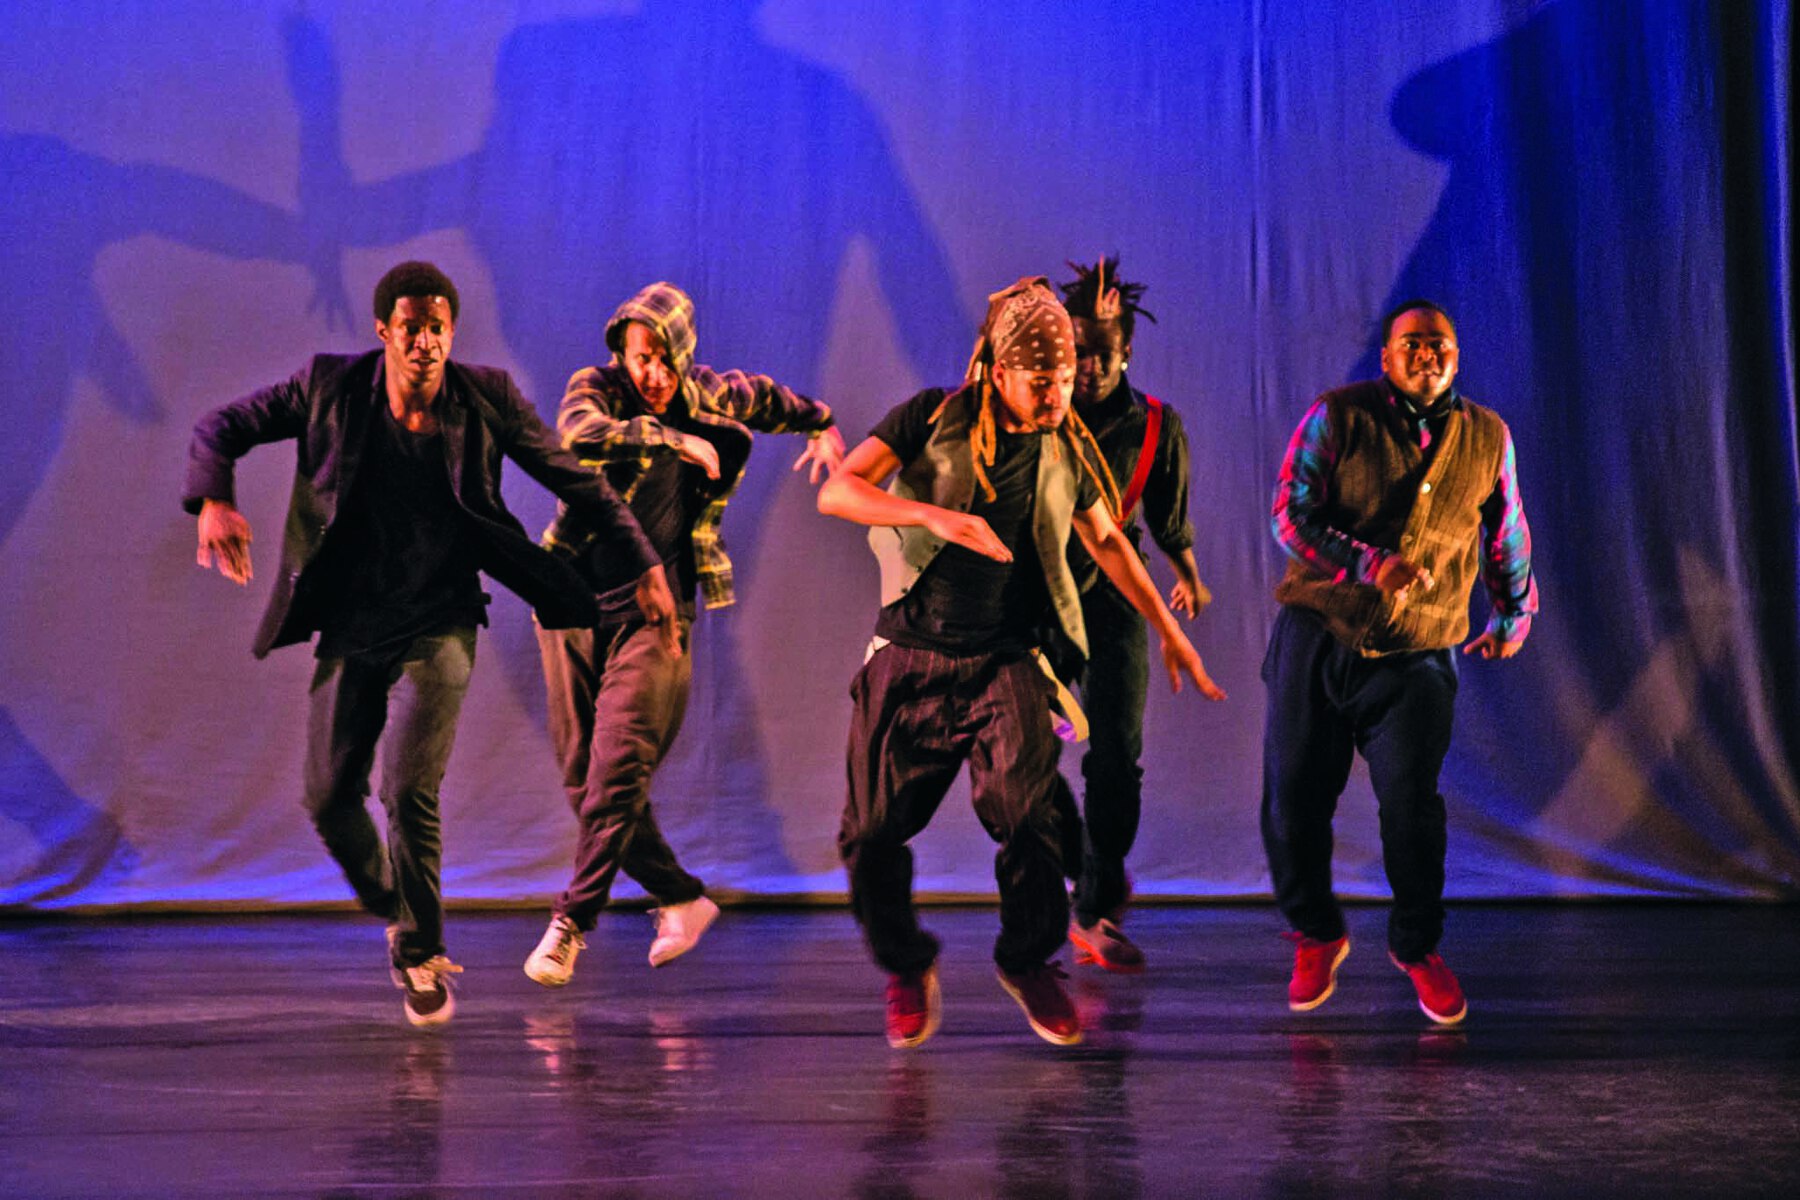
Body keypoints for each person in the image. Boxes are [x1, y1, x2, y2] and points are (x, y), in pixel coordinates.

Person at [184, 261, 673, 1026]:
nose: (425, 343)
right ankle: (393, 908)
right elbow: (221, 426)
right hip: (351, 624)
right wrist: (215, 496)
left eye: (438, 328)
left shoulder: (486, 399)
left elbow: (574, 478)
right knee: (328, 796)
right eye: (410, 328)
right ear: (385, 332)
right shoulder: (328, 390)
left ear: (452, 334)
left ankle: (419, 950)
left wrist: (642, 558)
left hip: (441, 620)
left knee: (408, 788)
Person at [819, 277, 1225, 1049]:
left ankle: (1027, 960)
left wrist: (1168, 632)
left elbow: (1107, 541)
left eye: (1067, 378)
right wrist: (935, 515)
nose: (1058, 393)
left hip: (1003, 660)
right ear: (999, 372)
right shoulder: (933, 416)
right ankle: (907, 965)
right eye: (1043, 381)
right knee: (870, 835)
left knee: (1031, 821)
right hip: (910, 654)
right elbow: (839, 494)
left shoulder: (1066, 443)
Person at [522, 281, 843, 987]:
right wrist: (675, 440)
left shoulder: (710, 393)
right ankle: (680, 897)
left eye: (667, 361)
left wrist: (820, 423)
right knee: (585, 783)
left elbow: (769, 398)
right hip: (571, 606)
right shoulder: (596, 389)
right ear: (622, 352)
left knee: (616, 769)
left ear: (685, 355)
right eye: (643, 359)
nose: (654, 375)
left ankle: (570, 923)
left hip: (657, 615)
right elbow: (577, 435)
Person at [1263, 300, 1537, 1026]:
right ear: (1385, 358)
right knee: (1293, 798)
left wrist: (1513, 612)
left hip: (1418, 653)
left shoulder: (1488, 437)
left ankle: (1417, 946)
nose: (1427, 354)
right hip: (1320, 635)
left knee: (1412, 812)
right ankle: (1317, 932)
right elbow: (1290, 513)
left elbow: (1505, 526)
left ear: (1456, 356)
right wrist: (1363, 564)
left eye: (1440, 344)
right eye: (1412, 344)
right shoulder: (1339, 416)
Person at [1056, 257, 1211, 973]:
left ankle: (1090, 906)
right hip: (1038, 598)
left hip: (1116, 597)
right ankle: (1090, 872)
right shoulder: (1037, 411)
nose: (1088, 367)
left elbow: (1168, 521)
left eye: (1102, 352)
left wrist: (1187, 577)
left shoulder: (1154, 424)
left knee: (1116, 754)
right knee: (1017, 748)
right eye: (1076, 351)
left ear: (1128, 350)